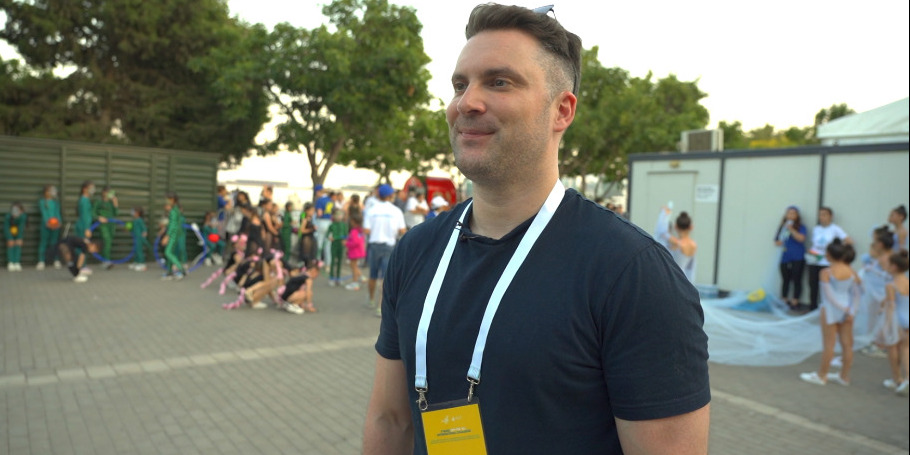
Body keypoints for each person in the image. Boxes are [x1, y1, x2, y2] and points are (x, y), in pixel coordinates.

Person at [363, 5, 710, 455]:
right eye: (460, 85)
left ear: (561, 110)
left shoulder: (632, 274)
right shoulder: (417, 250)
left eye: (499, 82)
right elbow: (390, 420)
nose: (467, 102)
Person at [800, 239, 860, 386]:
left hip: (830, 310)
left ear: (830, 255)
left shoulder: (826, 272)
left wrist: (842, 308)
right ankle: (844, 376)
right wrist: (851, 311)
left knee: (829, 344)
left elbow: (828, 295)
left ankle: (822, 375)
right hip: (847, 309)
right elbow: (857, 294)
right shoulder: (852, 272)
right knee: (847, 344)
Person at [362, 183, 406, 313]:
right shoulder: (396, 211)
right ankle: (380, 306)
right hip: (389, 246)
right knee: (385, 277)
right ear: (391, 195)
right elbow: (402, 230)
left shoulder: (371, 210)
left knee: (373, 275)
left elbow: (366, 230)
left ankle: (371, 299)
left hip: (374, 245)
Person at [807, 207, 851, 311]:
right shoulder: (816, 229)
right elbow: (815, 244)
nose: (821, 217)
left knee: (826, 286)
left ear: (830, 216)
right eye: (820, 215)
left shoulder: (835, 229)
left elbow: (849, 241)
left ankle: (827, 308)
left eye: (824, 214)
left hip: (827, 261)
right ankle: (812, 308)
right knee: (813, 284)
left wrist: (834, 250)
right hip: (814, 259)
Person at [882, 249, 909, 395]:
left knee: (893, 348)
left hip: (898, 319)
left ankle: (897, 378)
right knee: (906, 349)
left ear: (894, 267)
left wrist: (886, 326)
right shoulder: (907, 282)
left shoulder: (891, 285)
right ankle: (907, 378)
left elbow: (891, 306)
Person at [775, 206, 808, 310]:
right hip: (785, 257)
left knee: (797, 279)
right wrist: (779, 241)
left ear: (797, 216)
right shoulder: (782, 227)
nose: (791, 215)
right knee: (785, 279)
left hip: (798, 256)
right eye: (789, 213)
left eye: (793, 213)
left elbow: (801, 239)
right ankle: (784, 300)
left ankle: (795, 301)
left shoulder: (801, 227)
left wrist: (791, 229)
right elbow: (776, 241)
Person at [161, 193, 187, 280]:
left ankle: (181, 270)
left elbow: (173, 225)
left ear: (173, 201)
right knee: (170, 252)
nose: (166, 201)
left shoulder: (173, 211)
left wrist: (167, 236)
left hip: (173, 235)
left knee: (168, 252)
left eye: (169, 199)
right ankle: (169, 272)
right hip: (175, 234)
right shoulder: (174, 210)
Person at [37, 185, 63, 270]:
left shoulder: (56, 202)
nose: (52, 192)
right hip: (45, 226)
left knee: (54, 242)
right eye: (50, 191)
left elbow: (57, 213)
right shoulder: (42, 202)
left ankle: (56, 260)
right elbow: (44, 213)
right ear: (45, 192)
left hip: (55, 225)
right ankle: (41, 261)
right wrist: (47, 222)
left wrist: (59, 222)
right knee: (43, 242)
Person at [667, 211, 697, 282]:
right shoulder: (693, 244)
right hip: (687, 282)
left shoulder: (675, 243)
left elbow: (663, 234)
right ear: (691, 227)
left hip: (673, 280)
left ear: (676, 227)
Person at [327, 208, 349, 287]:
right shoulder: (332, 225)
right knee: (333, 261)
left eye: (340, 215)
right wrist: (330, 237)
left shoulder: (344, 225)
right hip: (334, 244)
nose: (339, 216)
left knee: (340, 262)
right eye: (337, 215)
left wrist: (345, 240)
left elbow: (346, 235)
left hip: (341, 245)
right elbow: (327, 234)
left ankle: (338, 278)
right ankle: (331, 278)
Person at [345, 215, 367, 291]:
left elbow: (355, 242)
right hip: (359, 251)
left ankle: (355, 283)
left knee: (353, 267)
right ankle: (361, 277)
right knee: (353, 265)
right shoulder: (360, 230)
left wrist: (346, 243)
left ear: (354, 222)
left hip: (354, 252)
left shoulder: (354, 231)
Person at [4, 202, 26, 272]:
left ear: (21, 211)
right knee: (10, 245)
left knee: (18, 245)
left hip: (18, 233)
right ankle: (10, 262)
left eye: (18, 210)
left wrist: (19, 238)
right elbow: (6, 228)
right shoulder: (8, 217)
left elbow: (21, 227)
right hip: (10, 233)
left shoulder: (23, 217)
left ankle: (17, 262)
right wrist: (9, 238)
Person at [313, 184, 332, 263]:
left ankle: (318, 262)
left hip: (322, 222)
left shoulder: (320, 200)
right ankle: (328, 263)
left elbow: (319, 213)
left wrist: (314, 217)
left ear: (318, 192)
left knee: (319, 244)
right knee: (328, 245)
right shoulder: (330, 200)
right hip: (329, 222)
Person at [129, 207, 151, 272]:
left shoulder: (140, 220)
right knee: (136, 250)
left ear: (137, 213)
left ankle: (142, 264)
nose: (132, 213)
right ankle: (136, 262)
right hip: (135, 237)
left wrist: (145, 232)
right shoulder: (134, 220)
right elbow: (132, 228)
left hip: (139, 238)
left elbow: (144, 228)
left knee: (139, 251)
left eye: (134, 211)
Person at [297, 202, 317, 267]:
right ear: (307, 211)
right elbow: (302, 230)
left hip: (310, 240)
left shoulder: (310, 218)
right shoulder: (304, 219)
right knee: (306, 258)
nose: (313, 212)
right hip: (306, 240)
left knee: (310, 258)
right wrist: (311, 229)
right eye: (312, 210)